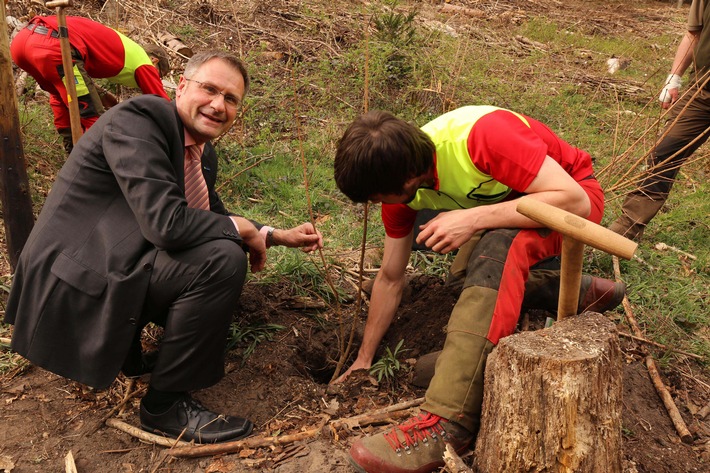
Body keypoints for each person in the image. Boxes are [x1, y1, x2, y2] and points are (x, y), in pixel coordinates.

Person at [4, 50, 323, 444]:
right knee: (221, 258)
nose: (218, 104)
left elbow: (210, 214)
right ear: (182, 85)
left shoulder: (201, 152)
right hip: (73, 277)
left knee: (220, 242)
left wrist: (275, 234)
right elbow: (167, 225)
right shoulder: (142, 120)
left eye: (231, 98)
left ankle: (134, 354)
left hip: (116, 263)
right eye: (209, 88)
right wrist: (240, 230)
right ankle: (165, 406)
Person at [333, 106, 626, 473]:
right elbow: (391, 277)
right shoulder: (402, 185)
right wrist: (364, 357)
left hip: (571, 200)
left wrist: (473, 218)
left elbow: (575, 202)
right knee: (463, 276)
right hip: (516, 206)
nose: (379, 206)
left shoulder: (484, 137)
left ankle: (446, 422)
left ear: (408, 177)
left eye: (378, 198)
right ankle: (574, 290)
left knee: (495, 254)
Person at [609, 0, 709, 240]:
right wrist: (674, 78)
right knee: (665, 153)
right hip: (702, 91)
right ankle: (627, 227)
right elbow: (693, 34)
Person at [10, 15, 171, 153]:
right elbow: (162, 105)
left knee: (60, 97)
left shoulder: (124, 47)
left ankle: (73, 157)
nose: (156, 78)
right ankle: (98, 170)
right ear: (154, 61)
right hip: (54, 46)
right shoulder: (144, 60)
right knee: (93, 116)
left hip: (22, 42)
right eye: (159, 74)